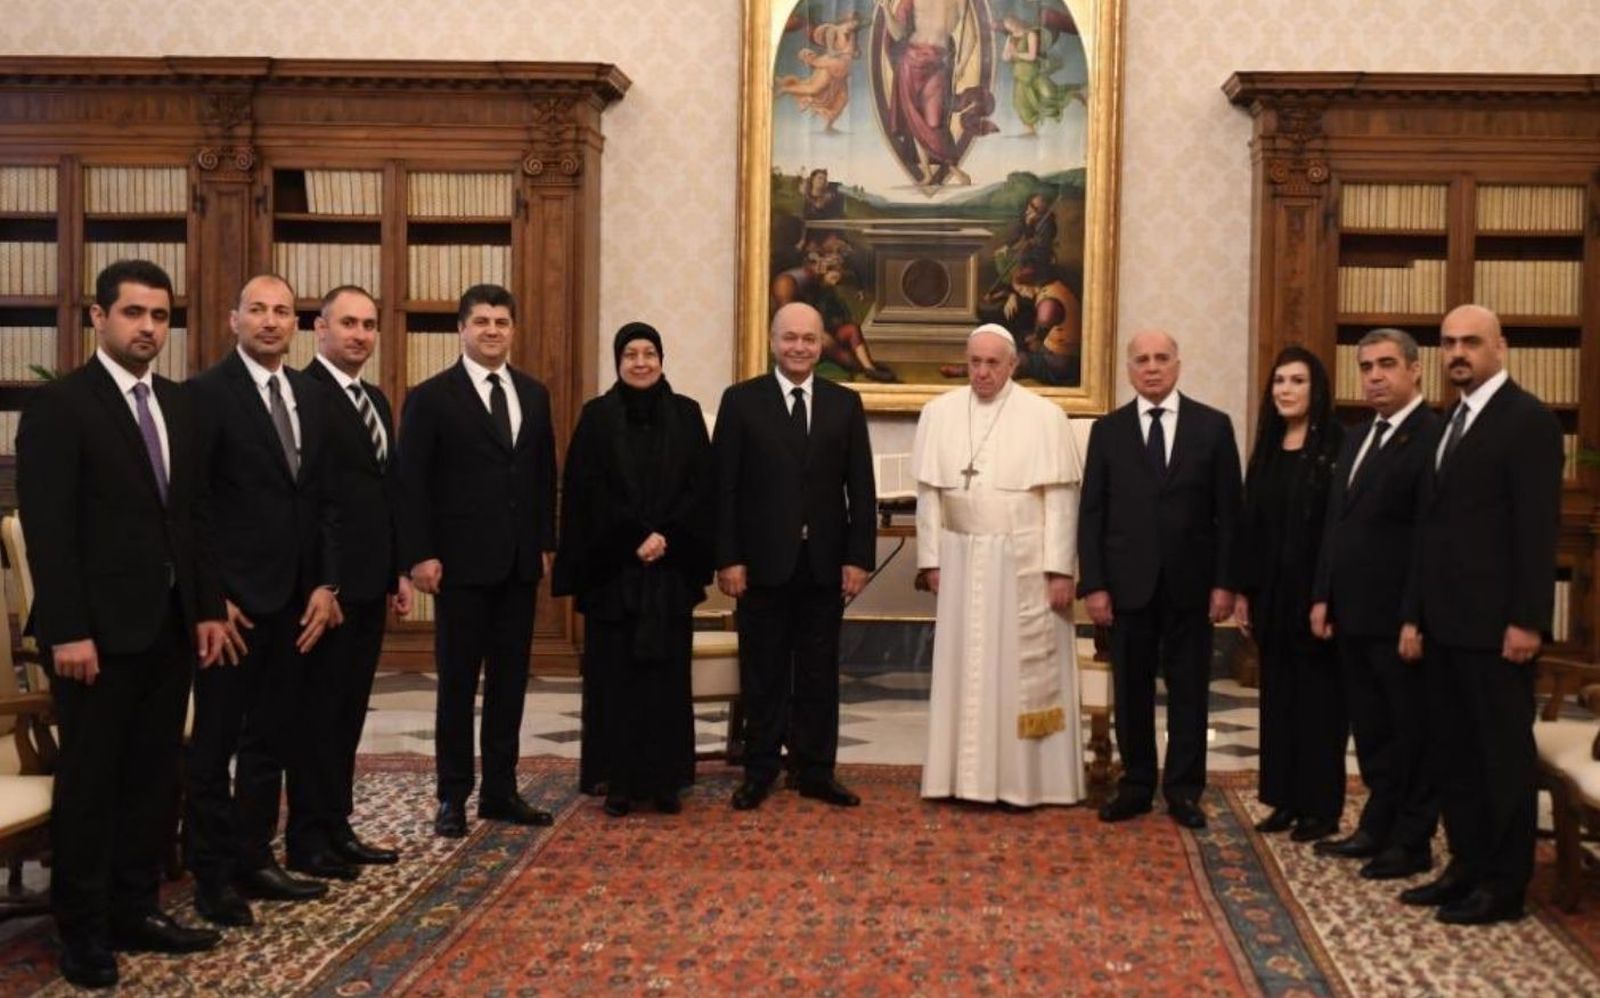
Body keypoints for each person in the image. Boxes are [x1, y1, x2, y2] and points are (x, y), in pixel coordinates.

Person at [17, 260, 228, 988]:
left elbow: (194, 516)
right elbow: (49, 531)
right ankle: (81, 931)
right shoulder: (61, 405)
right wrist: (67, 630)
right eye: (134, 313)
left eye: (160, 316)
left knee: (154, 776)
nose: (148, 328)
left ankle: (136, 909)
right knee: (92, 782)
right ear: (98, 317)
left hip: (168, 625)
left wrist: (207, 607)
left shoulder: (179, 403)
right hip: (95, 636)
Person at [1398, 304, 1563, 925]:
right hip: (1444, 624)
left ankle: (1504, 885)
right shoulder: (1450, 421)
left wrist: (1527, 620)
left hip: (1498, 629)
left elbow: (1536, 531)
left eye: (1471, 342)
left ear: (1501, 347)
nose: (1458, 353)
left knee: (1500, 759)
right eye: (1448, 344)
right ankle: (1465, 866)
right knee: (1454, 755)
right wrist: (1415, 614)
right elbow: (1430, 530)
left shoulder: (1529, 421)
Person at [187, 273, 342, 926]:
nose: (271, 321)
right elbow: (191, 506)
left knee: (270, 741)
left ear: (296, 325)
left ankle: (254, 858)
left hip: (294, 602)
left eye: (282, 311)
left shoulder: (310, 394)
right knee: (214, 745)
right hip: (233, 610)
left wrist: (326, 584)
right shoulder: (204, 396)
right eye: (258, 310)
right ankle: (211, 875)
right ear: (234, 320)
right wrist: (211, 597)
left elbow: (323, 499)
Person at [398, 283, 558, 838]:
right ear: (461, 329)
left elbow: (542, 475)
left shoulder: (533, 394)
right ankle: (452, 796)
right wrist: (419, 554)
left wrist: (544, 542)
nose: (492, 330)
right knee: (457, 686)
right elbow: (411, 484)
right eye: (482, 321)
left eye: (501, 322)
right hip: (458, 567)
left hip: (518, 565)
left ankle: (500, 791)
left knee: (510, 684)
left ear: (513, 330)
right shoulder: (430, 397)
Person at [713, 301, 876, 810]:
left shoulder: (844, 404)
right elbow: (724, 489)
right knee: (762, 671)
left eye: (809, 338)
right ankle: (760, 770)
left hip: (824, 563)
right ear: (772, 341)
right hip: (760, 564)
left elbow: (861, 489)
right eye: (789, 338)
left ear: (821, 343)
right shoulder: (741, 401)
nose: (799, 347)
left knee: (818, 672)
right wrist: (728, 558)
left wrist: (859, 558)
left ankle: (816, 770)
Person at [912, 324, 1084, 808]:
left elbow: (1061, 502)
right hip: (961, 557)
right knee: (965, 670)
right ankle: (959, 778)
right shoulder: (939, 413)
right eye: (975, 362)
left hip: (1023, 562)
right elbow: (929, 496)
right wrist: (931, 560)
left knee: (1017, 674)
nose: (983, 372)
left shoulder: (1045, 416)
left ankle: (1028, 782)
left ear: (1013, 364)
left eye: (993, 363)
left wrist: (1060, 569)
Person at [1077, 330, 1241, 829]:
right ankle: (1136, 785)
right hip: (1128, 586)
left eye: (1161, 358)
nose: (1152, 367)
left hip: (1193, 586)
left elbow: (1230, 516)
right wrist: (1095, 585)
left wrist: (1226, 583)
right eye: (1142, 359)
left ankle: (1184, 790)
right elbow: (1092, 514)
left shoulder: (1213, 427)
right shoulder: (1108, 431)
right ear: (1129, 369)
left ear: (1177, 365)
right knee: (1131, 692)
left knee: (1190, 691)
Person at [552, 323, 714, 817]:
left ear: (662, 360)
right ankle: (617, 781)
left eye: (649, 353)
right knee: (614, 681)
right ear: (618, 361)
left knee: (665, 681)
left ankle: (666, 782)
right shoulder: (597, 417)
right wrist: (634, 538)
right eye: (630, 354)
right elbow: (586, 492)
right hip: (614, 574)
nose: (641, 362)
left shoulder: (687, 414)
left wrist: (664, 536)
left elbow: (701, 488)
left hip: (669, 572)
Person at [1309, 328, 1442, 879]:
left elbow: (1430, 537)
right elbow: (1336, 525)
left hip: (1398, 617)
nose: (1375, 377)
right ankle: (1376, 825)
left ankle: (1412, 841)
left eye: (1387, 364)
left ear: (1415, 369)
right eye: (1366, 367)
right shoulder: (1357, 436)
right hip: (1352, 612)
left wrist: (1416, 615)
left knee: (1410, 732)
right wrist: (1323, 595)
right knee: (1371, 730)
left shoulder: (1433, 436)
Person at [286, 285, 409, 877]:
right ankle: (307, 839)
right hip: (327, 591)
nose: (360, 335)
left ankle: (337, 826)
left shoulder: (375, 399)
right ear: (320, 328)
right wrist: (325, 583)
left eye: (368, 325)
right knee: (315, 716)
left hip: (369, 581)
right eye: (348, 323)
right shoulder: (302, 395)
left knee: (349, 713)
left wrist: (396, 570)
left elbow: (384, 495)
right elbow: (311, 501)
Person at [1235, 347, 1345, 842]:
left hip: (1316, 597)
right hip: (1271, 596)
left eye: (1297, 380)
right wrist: (1245, 591)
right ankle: (1283, 799)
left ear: (1316, 389)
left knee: (1319, 705)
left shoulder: (1338, 446)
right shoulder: (1268, 446)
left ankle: (1320, 808)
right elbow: (1250, 526)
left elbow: (1337, 531)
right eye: (1279, 380)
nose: (1286, 389)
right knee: (1278, 701)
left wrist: (1326, 596)